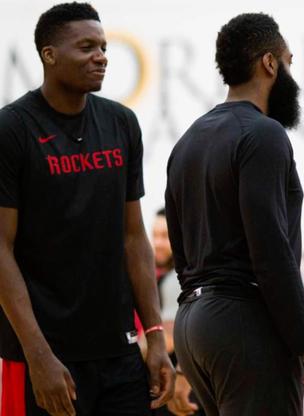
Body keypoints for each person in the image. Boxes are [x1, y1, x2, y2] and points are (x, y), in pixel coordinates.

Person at [0, 3, 174, 415]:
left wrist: (154, 336)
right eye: (86, 47)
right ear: (49, 54)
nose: (101, 57)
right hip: (45, 356)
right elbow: (1, 248)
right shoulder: (12, 129)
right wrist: (37, 354)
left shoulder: (121, 123)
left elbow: (134, 236)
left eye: (103, 47)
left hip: (119, 352)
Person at [164, 13, 304, 416]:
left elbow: (179, 250)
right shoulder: (263, 133)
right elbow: (271, 254)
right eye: (288, 62)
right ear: (269, 64)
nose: (292, 76)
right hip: (243, 321)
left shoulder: (187, 141)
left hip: (193, 324)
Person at [149, 208, 202, 416]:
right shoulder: (190, 275)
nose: (158, 243)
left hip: (180, 388)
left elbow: (168, 339)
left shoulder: (174, 280)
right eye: (154, 235)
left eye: (165, 236)